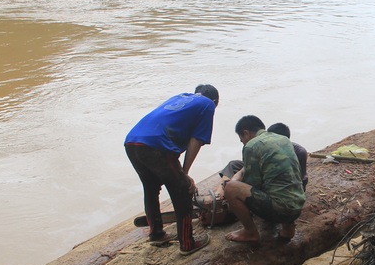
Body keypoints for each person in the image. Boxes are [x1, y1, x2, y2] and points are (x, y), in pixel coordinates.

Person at [124, 84, 219, 255]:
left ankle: (156, 234)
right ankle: (187, 243)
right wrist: (185, 174)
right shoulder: (208, 104)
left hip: (132, 141)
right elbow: (196, 140)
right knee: (182, 189)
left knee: (151, 188)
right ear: (215, 101)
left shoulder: (181, 96)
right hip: (155, 145)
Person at [223, 115, 306, 243]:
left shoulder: (251, 146)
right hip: (298, 205)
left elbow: (252, 184)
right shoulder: (283, 139)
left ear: (246, 133)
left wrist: (234, 182)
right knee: (283, 185)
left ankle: (250, 232)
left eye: (242, 140)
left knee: (230, 188)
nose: (243, 143)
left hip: (281, 210)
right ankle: (288, 228)